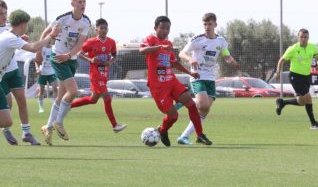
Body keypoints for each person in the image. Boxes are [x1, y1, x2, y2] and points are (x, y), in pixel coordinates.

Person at [139, 16, 212, 147]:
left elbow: (174, 63)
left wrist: (190, 73)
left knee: (191, 104)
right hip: (158, 87)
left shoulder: (169, 44)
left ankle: (200, 134)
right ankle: (162, 130)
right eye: (162, 28)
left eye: (167, 28)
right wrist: (159, 46)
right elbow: (142, 51)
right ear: (155, 28)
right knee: (173, 116)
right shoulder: (151, 39)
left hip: (171, 81)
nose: (165, 30)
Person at [175, 13, 239, 145]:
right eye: (205, 24)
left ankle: (184, 136)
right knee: (203, 104)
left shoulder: (221, 41)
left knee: (205, 109)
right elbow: (182, 53)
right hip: (197, 76)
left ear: (215, 24)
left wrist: (231, 61)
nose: (207, 27)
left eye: (210, 24)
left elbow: (226, 55)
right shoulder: (197, 39)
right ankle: (189, 101)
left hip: (210, 77)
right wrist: (190, 59)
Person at [40, 0, 91, 146]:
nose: (83, 4)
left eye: (84, 1)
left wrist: (69, 56)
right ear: (72, 3)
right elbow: (46, 33)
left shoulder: (86, 22)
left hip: (69, 59)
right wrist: (39, 49)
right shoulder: (62, 18)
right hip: (57, 58)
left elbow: (80, 43)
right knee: (73, 91)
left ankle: (48, 127)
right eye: (80, 1)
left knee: (61, 95)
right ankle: (59, 122)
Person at [0, 9, 57, 145]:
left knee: (7, 120)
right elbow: (33, 47)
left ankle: (26, 132)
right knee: (6, 120)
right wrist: (50, 37)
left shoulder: (10, 35)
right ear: (23, 25)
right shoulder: (9, 37)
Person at [70, 18, 127, 132]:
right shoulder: (90, 42)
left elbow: (114, 56)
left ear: (108, 29)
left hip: (104, 74)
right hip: (95, 74)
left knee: (93, 99)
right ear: (96, 30)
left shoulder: (111, 42)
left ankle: (68, 106)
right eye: (101, 28)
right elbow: (80, 54)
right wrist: (90, 59)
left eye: (105, 28)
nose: (103, 30)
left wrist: (109, 62)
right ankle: (115, 125)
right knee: (107, 97)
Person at [274, 28, 318, 130]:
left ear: (308, 38)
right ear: (298, 37)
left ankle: (282, 102)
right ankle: (313, 123)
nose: (303, 39)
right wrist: (278, 72)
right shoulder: (292, 49)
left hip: (306, 76)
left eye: (305, 37)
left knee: (302, 102)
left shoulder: (312, 47)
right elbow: (281, 60)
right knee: (308, 97)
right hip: (295, 76)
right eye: (301, 37)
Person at [35, 41, 58, 113]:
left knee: (55, 89)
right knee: (41, 91)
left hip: (52, 72)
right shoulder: (41, 48)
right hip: (43, 72)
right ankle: (41, 107)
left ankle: (54, 107)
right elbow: (36, 61)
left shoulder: (55, 48)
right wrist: (37, 69)